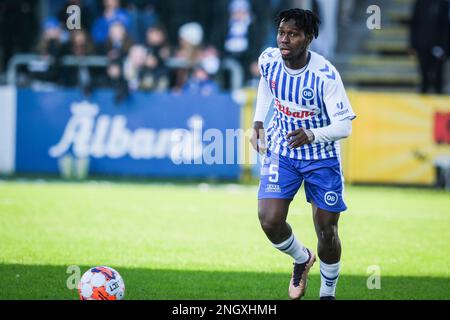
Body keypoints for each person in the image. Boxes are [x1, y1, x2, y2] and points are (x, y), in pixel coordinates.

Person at [250, 8, 356, 300]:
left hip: (321, 159)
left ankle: (327, 293)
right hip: (282, 151)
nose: (284, 40)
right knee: (269, 220)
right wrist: (259, 121)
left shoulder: (325, 75)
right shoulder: (269, 59)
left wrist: (312, 134)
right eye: (282, 33)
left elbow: (344, 126)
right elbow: (267, 85)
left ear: (308, 38)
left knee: (327, 231)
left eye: (293, 34)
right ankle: (301, 258)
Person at [409, 0, 449, 94]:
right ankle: (423, 103)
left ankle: (439, 103)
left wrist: (444, 47)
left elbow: (446, 27)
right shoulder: (420, 3)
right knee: (423, 76)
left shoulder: (442, 3)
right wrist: (413, 45)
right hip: (422, 45)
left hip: (439, 47)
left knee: (438, 77)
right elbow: (414, 24)